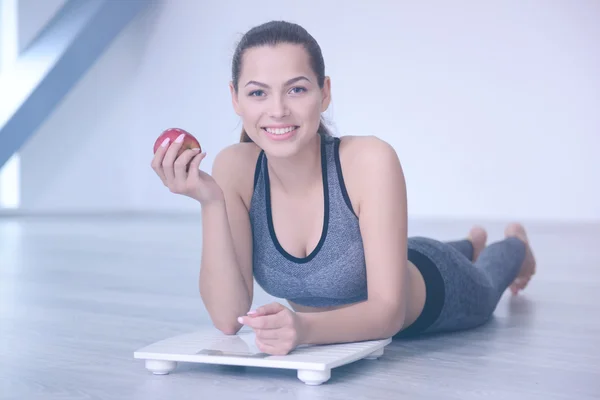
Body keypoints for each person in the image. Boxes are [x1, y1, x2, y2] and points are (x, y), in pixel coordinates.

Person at [150, 20, 536, 356]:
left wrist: (304, 331)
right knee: (408, 249)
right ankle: (470, 241)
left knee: (488, 282)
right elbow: (227, 317)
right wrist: (210, 203)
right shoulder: (234, 168)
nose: (278, 109)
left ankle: (514, 247)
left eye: (297, 89)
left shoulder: (369, 160)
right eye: (257, 92)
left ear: (325, 92)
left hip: (433, 291)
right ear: (235, 98)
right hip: (393, 257)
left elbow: (388, 313)